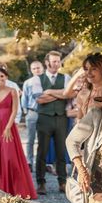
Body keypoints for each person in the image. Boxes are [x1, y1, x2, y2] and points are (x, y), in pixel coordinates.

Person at [0, 68, 37, 199]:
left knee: (9, 157)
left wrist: (8, 127)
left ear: (6, 77)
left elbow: (15, 111)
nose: (0, 79)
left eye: (2, 76)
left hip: (7, 127)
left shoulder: (12, 91)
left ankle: (14, 188)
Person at [32, 50, 73, 195]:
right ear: (47, 62)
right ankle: (41, 183)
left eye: (58, 61)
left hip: (61, 118)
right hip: (44, 118)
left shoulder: (66, 77)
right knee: (42, 151)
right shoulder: (38, 79)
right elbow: (39, 99)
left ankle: (62, 182)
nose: (57, 64)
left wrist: (49, 91)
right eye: (54, 61)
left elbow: (70, 93)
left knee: (61, 151)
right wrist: (61, 94)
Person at [64, 52, 102, 120]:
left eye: (93, 69)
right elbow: (80, 120)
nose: (88, 72)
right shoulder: (82, 94)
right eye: (86, 69)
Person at [21, 60, 45, 170]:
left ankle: (44, 163)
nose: (37, 70)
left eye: (38, 67)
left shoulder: (47, 81)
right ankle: (29, 162)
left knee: (44, 140)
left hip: (45, 113)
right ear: (31, 70)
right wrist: (26, 113)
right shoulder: (28, 82)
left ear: (42, 68)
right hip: (32, 112)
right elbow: (24, 98)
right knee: (30, 139)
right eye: (34, 68)